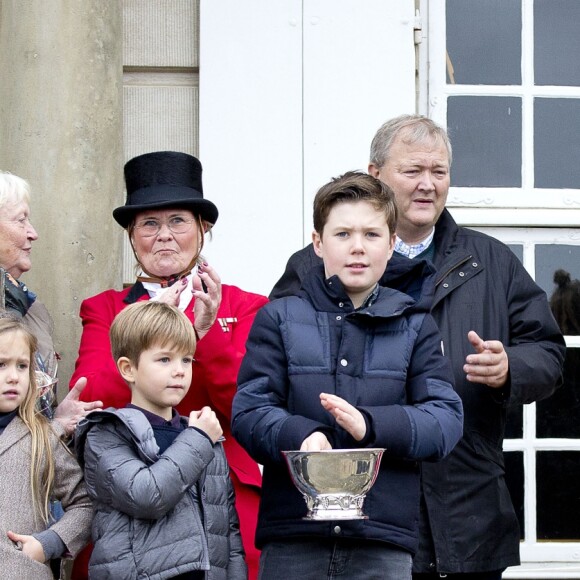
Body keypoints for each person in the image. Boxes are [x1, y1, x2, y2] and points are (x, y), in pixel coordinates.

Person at [269, 115, 566, 579]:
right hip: (363, 517)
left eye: (439, 172)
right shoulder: (314, 265)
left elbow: (549, 352)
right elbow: (278, 369)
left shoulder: (490, 261)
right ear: (375, 175)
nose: (428, 185)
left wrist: (511, 366)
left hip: (467, 508)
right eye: (412, 172)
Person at [232, 171, 464, 580]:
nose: (357, 248)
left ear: (392, 244)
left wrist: (370, 425)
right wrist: (301, 436)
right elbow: (250, 412)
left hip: (381, 542)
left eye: (372, 235)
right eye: (342, 234)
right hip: (293, 539)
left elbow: (445, 420)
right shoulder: (279, 318)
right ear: (318, 242)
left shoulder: (416, 324)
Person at [70, 151, 268, 578]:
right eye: (149, 224)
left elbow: (246, 409)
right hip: (132, 503)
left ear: (203, 229)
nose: (164, 236)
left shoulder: (246, 306)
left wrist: (206, 331)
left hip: (223, 503)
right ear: (131, 235)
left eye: (178, 221)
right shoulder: (104, 309)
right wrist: (151, 321)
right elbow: (96, 395)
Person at [75, 301, 246, 579]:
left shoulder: (202, 435)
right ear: (128, 369)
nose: (179, 370)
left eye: (186, 359)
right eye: (165, 359)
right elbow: (146, 496)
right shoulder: (106, 432)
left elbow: (227, 533)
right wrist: (200, 437)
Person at [0, 171, 103, 435]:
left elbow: (26, 418)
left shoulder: (34, 310)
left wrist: (55, 417)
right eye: (21, 220)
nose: (33, 233)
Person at [0, 315, 92, 579]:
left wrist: (48, 544)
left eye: (22, 366)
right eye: (1, 364)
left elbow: (85, 502)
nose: (13, 377)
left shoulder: (43, 437)